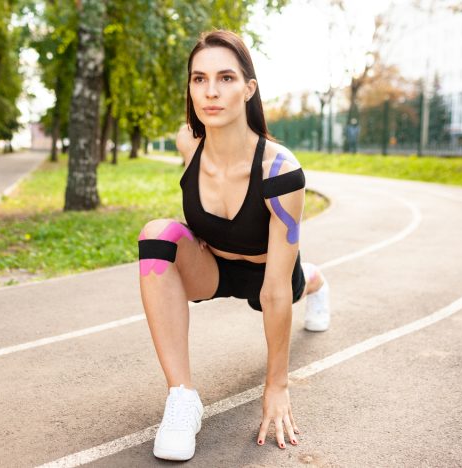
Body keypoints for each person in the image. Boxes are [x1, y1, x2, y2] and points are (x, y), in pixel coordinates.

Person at [137, 30, 331, 461]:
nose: (210, 91)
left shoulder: (280, 170)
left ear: (248, 88)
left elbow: (276, 289)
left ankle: (318, 280)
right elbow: (190, 148)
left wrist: (276, 386)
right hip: (214, 268)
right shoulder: (189, 145)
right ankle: (183, 398)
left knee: (298, 285)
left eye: (225, 78)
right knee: (156, 233)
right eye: (198, 79)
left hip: (270, 275)